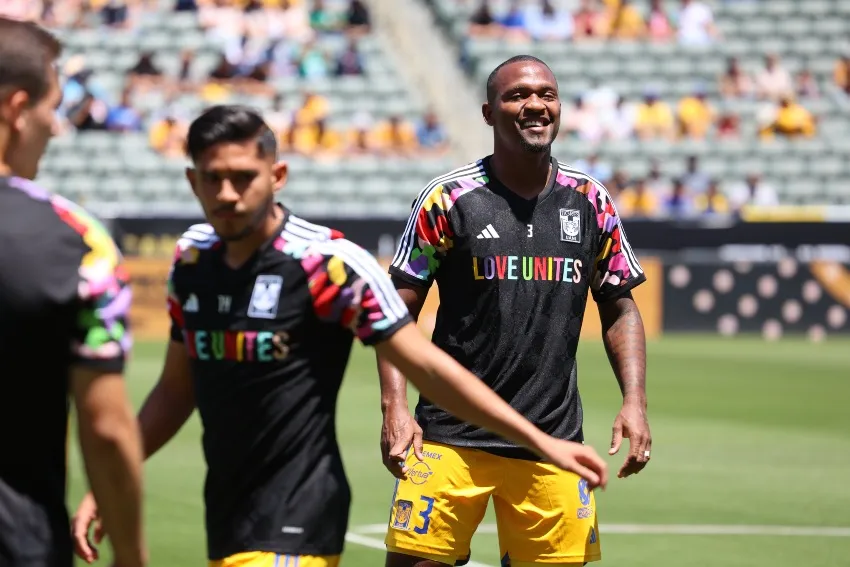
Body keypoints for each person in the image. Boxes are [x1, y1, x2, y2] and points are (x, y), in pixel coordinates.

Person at [71, 105, 608, 567]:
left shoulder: (328, 264)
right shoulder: (191, 262)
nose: (227, 194)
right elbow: (174, 390)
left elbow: (425, 365)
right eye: (212, 179)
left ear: (276, 175)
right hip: (229, 514)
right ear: (192, 181)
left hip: (299, 514)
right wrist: (113, 478)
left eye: (242, 177)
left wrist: (539, 442)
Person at [378, 54, 652, 567]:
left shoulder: (590, 201)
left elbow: (620, 305)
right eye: (517, 95)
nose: (535, 105)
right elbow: (394, 312)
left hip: (554, 443)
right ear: (488, 113)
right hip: (448, 439)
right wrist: (394, 407)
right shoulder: (449, 198)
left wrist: (634, 400)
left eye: (546, 94)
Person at [0, 17, 146, 567]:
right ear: (17, 108)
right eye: (51, 107)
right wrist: (132, 557)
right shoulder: (76, 241)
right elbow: (107, 429)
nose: (56, 127)